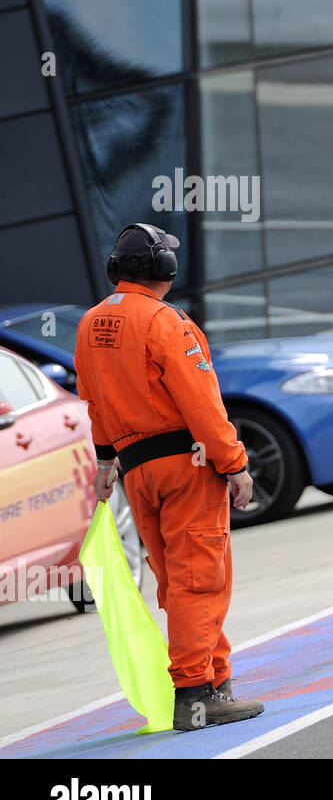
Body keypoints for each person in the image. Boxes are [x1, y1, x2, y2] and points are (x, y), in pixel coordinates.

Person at [74, 223, 265, 732]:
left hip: (137, 474)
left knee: (177, 583)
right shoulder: (166, 322)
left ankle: (215, 681)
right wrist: (235, 464)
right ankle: (195, 695)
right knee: (200, 580)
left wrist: (105, 464)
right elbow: (202, 403)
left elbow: (93, 403)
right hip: (187, 465)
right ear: (164, 269)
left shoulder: (90, 324)